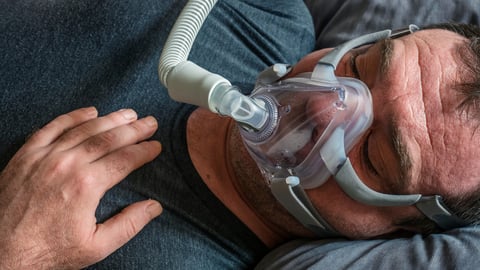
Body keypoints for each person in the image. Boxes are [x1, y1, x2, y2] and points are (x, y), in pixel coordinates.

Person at [1, 0, 480, 269]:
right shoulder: (266, 14)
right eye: (362, 65)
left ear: (403, 225)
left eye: (373, 153)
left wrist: (20, 255)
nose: (319, 103)